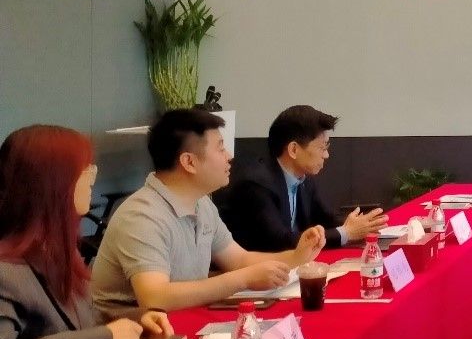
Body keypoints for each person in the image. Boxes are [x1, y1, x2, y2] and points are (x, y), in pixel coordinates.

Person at [91, 109, 324, 316]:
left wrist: (296, 256)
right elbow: (155, 298)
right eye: (220, 148)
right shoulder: (142, 216)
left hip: (180, 325)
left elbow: (239, 260)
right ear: (189, 162)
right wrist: (244, 279)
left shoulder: (201, 203)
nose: (229, 156)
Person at [0, 125, 172, 339]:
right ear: (53, 182)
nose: (93, 176)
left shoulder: (54, 252)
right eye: (85, 169)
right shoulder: (6, 272)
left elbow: (78, 324)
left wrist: (135, 321)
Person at [216, 105, 385, 253]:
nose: (326, 155)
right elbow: (280, 241)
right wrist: (347, 233)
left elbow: (325, 219)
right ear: (294, 150)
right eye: (322, 148)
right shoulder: (256, 184)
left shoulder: (303, 178)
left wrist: (361, 225)